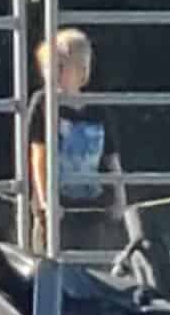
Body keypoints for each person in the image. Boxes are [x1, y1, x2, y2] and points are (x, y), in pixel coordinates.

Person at [30, 25, 124, 258]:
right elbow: (38, 154)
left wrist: (120, 197)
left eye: (61, 67)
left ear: (82, 71)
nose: (53, 74)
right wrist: (44, 201)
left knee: (90, 260)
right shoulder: (43, 104)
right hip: (57, 202)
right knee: (51, 258)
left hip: (91, 202)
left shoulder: (98, 109)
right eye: (48, 68)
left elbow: (111, 156)